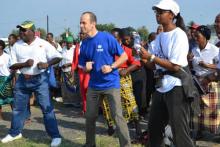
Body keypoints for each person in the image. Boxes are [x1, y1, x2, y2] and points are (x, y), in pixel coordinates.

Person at [139, 0, 195, 146]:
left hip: (176, 86)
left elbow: (175, 66)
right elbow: (153, 65)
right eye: (156, 12)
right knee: (154, 127)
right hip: (162, 86)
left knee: (179, 131)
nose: (157, 14)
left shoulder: (179, 35)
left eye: (161, 12)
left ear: (171, 15)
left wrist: (150, 57)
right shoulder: (159, 37)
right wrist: (143, 58)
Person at [1, 20, 62, 147]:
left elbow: (57, 57)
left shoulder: (43, 43)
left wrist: (47, 64)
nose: (21, 32)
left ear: (32, 32)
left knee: (47, 108)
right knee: (18, 109)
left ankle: (55, 136)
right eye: (20, 30)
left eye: (24, 30)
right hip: (23, 79)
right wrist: (24, 64)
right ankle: (15, 133)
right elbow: (12, 64)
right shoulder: (16, 45)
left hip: (40, 80)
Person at [79, 12, 131, 147]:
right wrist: (86, 68)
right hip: (94, 86)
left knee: (118, 117)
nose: (81, 25)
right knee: (90, 117)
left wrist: (112, 66)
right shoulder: (84, 43)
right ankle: (90, 144)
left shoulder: (107, 38)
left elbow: (124, 56)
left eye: (84, 22)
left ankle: (126, 145)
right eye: (81, 22)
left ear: (93, 24)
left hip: (110, 84)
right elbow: (81, 64)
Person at [102, 28, 142, 137]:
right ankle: (111, 126)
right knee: (107, 103)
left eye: (115, 37)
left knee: (130, 101)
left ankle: (137, 125)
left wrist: (127, 70)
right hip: (109, 78)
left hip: (123, 78)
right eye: (111, 37)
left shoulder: (127, 50)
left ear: (120, 38)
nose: (113, 40)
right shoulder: (105, 50)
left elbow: (137, 63)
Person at [191, 25, 220, 135]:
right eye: (195, 36)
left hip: (210, 82)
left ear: (205, 37)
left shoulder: (215, 50)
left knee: (211, 109)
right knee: (197, 109)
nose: (195, 38)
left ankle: (214, 131)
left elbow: (218, 67)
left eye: (198, 36)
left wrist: (207, 65)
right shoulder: (194, 50)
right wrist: (189, 60)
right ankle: (198, 131)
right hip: (197, 82)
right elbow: (191, 67)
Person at [71, 32, 89, 114]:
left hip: (89, 70)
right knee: (82, 90)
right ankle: (85, 109)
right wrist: (73, 69)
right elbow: (75, 59)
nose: (81, 35)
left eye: (83, 34)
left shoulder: (91, 43)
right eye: (80, 34)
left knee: (87, 87)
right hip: (80, 70)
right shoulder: (78, 45)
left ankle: (92, 108)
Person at [0, 40, 14, 120]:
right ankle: (0, 115)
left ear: (2, 47)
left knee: (11, 98)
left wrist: (12, 78)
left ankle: (15, 115)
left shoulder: (7, 56)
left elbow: (13, 68)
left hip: (7, 79)